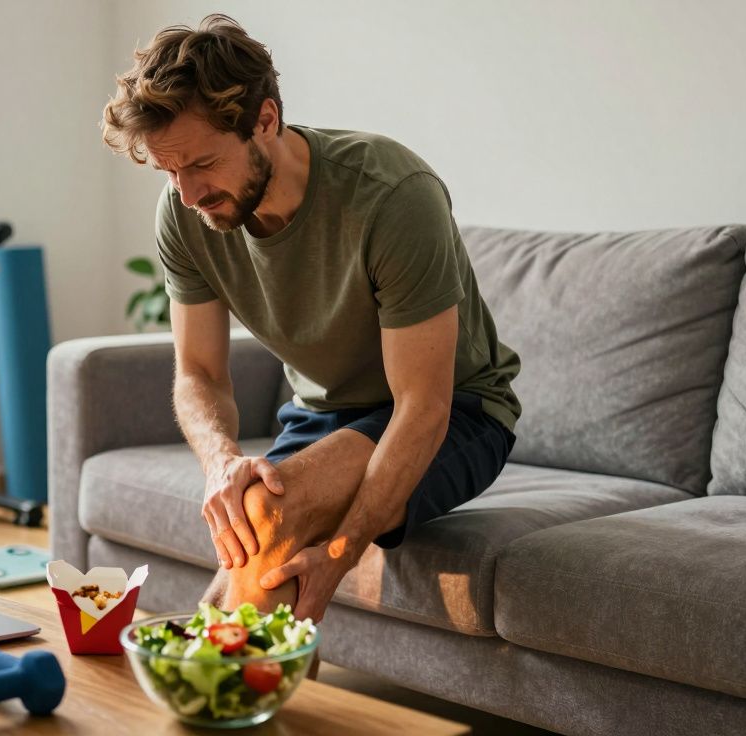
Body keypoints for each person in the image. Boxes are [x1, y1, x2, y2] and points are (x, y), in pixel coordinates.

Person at [99, 14, 521, 623]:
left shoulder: (391, 194)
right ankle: (225, 699)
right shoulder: (185, 213)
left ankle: (216, 695)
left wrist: (342, 552)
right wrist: (221, 463)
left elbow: (423, 406)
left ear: (264, 120)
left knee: (269, 518)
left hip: (459, 412)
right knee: (249, 526)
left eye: (201, 164)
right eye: (170, 171)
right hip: (324, 415)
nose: (187, 195)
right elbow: (198, 372)